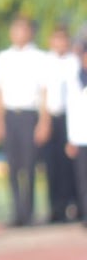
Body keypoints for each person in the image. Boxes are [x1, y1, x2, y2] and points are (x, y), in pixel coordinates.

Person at [0, 16, 52, 227]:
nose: (18, 34)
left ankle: (29, 213)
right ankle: (16, 212)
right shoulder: (3, 58)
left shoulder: (40, 57)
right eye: (15, 29)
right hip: (10, 115)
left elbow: (45, 92)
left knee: (29, 166)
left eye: (22, 29)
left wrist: (44, 121)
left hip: (29, 115)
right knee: (12, 166)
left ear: (30, 32)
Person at [41, 24, 79, 223]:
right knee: (51, 164)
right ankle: (55, 207)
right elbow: (44, 93)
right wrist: (43, 121)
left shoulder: (74, 62)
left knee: (70, 165)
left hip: (72, 118)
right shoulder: (46, 62)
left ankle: (72, 206)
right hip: (52, 117)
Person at [63, 39, 87, 231]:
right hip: (80, 137)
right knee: (82, 179)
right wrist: (71, 138)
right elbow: (72, 111)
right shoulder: (74, 79)